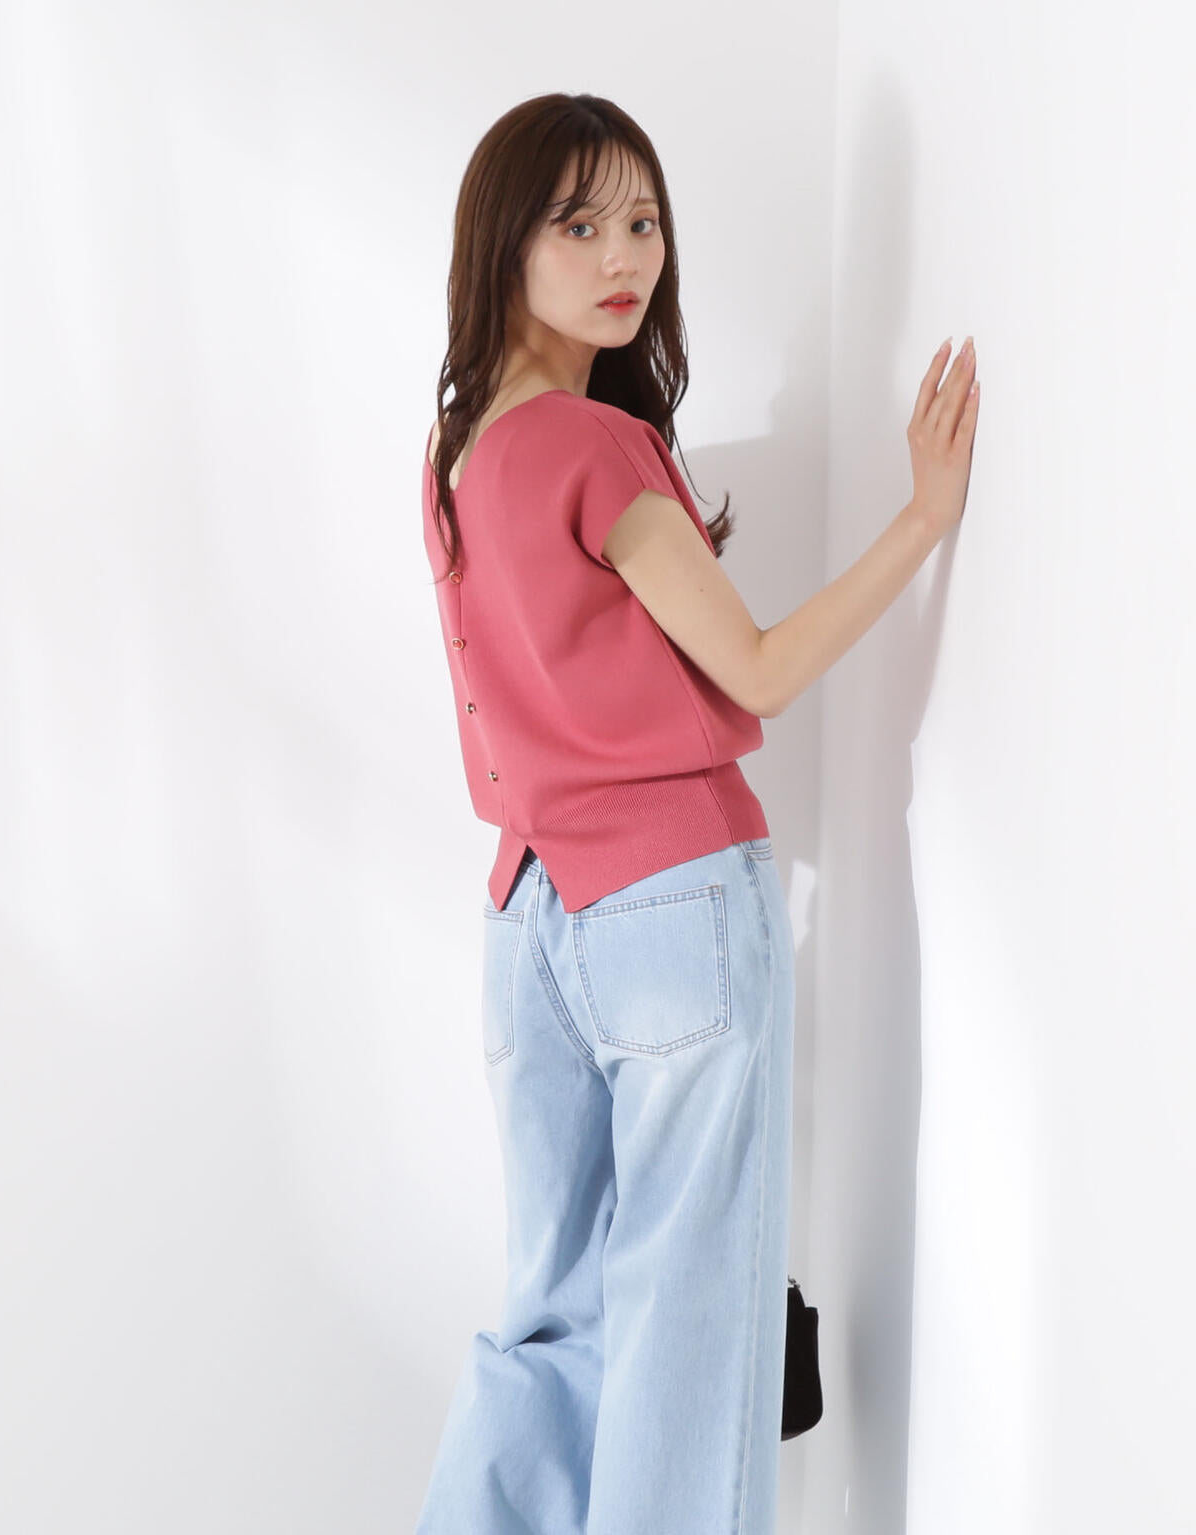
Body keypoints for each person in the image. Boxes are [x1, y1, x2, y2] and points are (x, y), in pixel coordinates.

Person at [415, 92, 979, 1535]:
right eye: (580, 224)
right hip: (670, 908)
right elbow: (761, 668)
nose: (625, 258)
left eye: (644, 221)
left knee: (551, 1317)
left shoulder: (457, 458)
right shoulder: (594, 447)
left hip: (529, 922)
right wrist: (922, 518)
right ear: (505, 244)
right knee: (692, 1322)